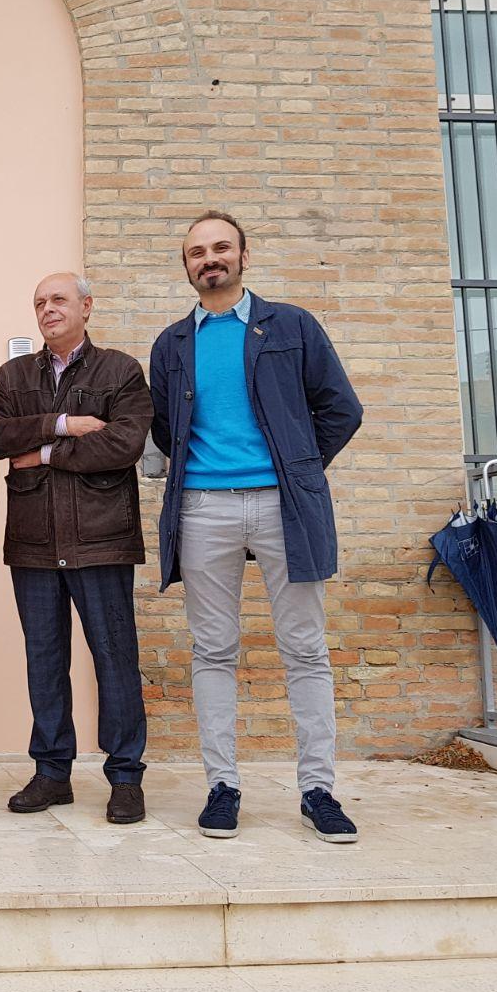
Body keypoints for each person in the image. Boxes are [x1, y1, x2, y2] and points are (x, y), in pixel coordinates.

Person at [149, 210, 363, 843]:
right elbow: (165, 428)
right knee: (213, 650)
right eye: (196, 252)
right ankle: (223, 786)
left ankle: (318, 789)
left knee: (304, 648)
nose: (208, 259)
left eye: (220, 248)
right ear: (186, 266)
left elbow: (340, 409)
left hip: (282, 506)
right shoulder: (171, 344)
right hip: (202, 509)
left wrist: (296, 468)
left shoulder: (291, 325)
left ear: (244, 255)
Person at [0, 272, 154, 824]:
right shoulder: (14, 374)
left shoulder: (121, 370)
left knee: (115, 660)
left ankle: (125, 778)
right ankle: (52, 773)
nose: (48, 309)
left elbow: (124, 442)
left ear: (86, 306)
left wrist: (45, 454)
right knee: (44, 661)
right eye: (39, 302)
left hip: (101, 541)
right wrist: (62, 424)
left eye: (58, 299)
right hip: (34, 543)